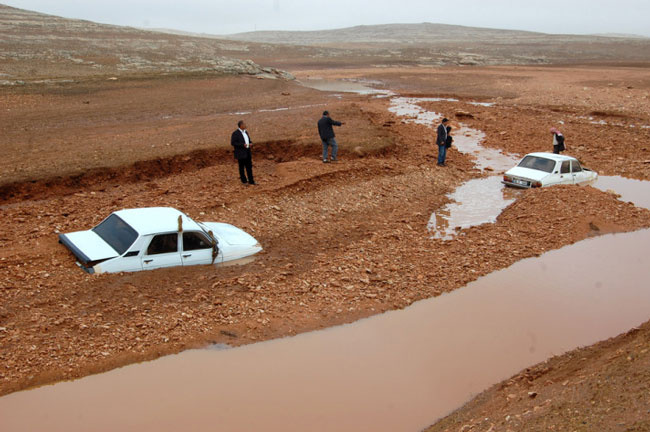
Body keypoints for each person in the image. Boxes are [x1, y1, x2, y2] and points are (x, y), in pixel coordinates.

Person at [231, 120, 255, 185]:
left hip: (247, 152)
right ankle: (244, 181)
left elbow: (249, 140)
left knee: (249, 167)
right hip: (241, 153)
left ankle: (251, 181)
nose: (245, 125)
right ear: (241, 125)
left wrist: (250, 143)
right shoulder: (235, 133)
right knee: (241, 167)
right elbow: (233, 143)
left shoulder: (246, 132)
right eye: (244, 124)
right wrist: (242, 145)